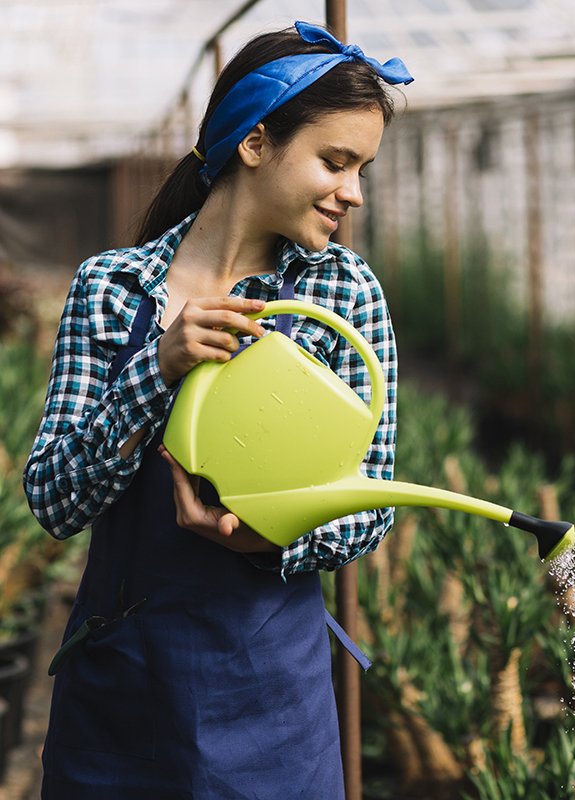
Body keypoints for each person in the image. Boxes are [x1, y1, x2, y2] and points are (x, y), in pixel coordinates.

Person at [23, 20, 412, 799]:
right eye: (335, 162)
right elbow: (57, 498)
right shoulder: (112, 289)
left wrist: (264, 543)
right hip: (121, 690)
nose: (353, 192)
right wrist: (158, 364)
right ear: (256, 143)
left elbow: (370, 503)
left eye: (361, 168)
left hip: (271, 692)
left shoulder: (344, 294)